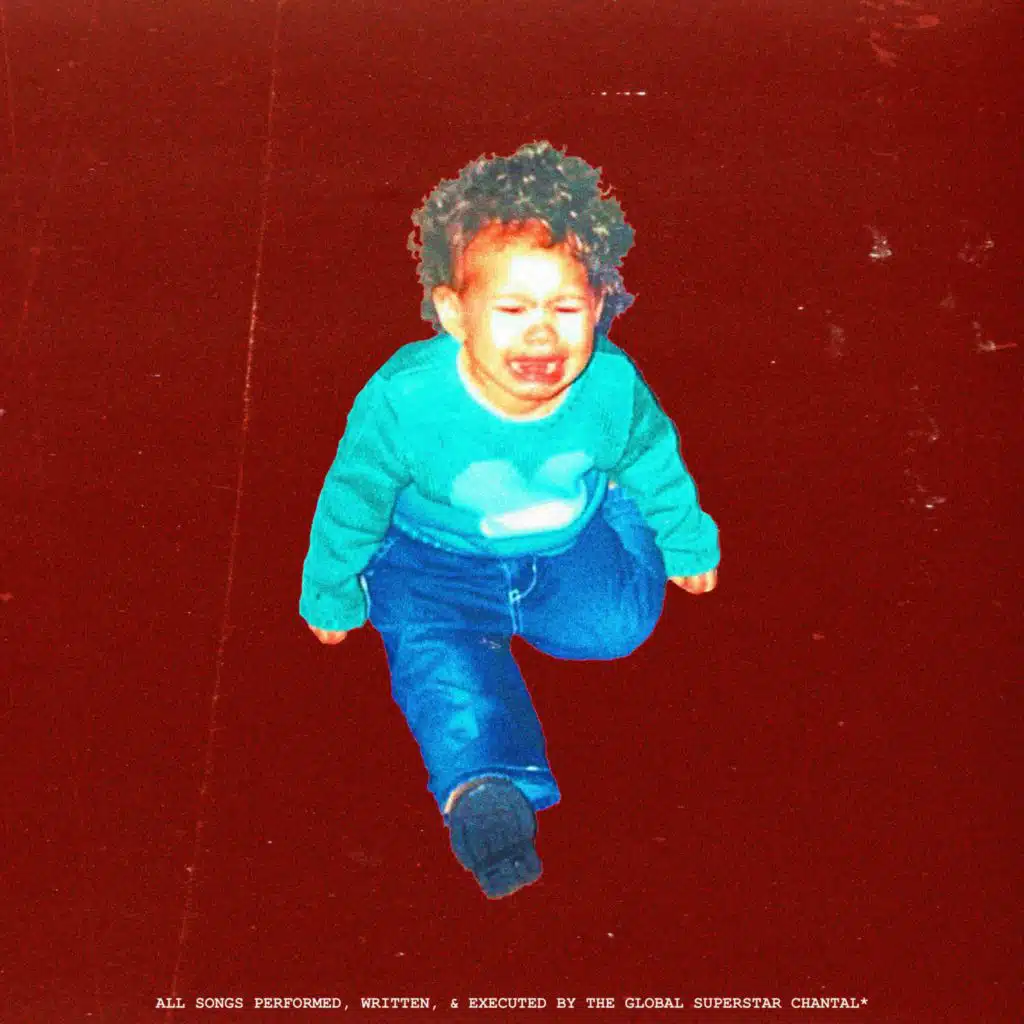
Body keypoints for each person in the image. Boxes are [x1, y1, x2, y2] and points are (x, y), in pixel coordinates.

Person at [300, 141, 719, 899]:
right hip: (431, 558)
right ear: (453, 313)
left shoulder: (611, 385)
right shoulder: (405, 399)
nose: (542, 334)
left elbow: (654, 455)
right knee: (434, 657)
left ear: (599, 305)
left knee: (617, 629)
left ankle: (613, 507)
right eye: (513, 309)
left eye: (566, 308)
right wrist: (330, 586)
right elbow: (352, 494)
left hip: (565, 544)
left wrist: (685, 539)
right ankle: (485, 791)